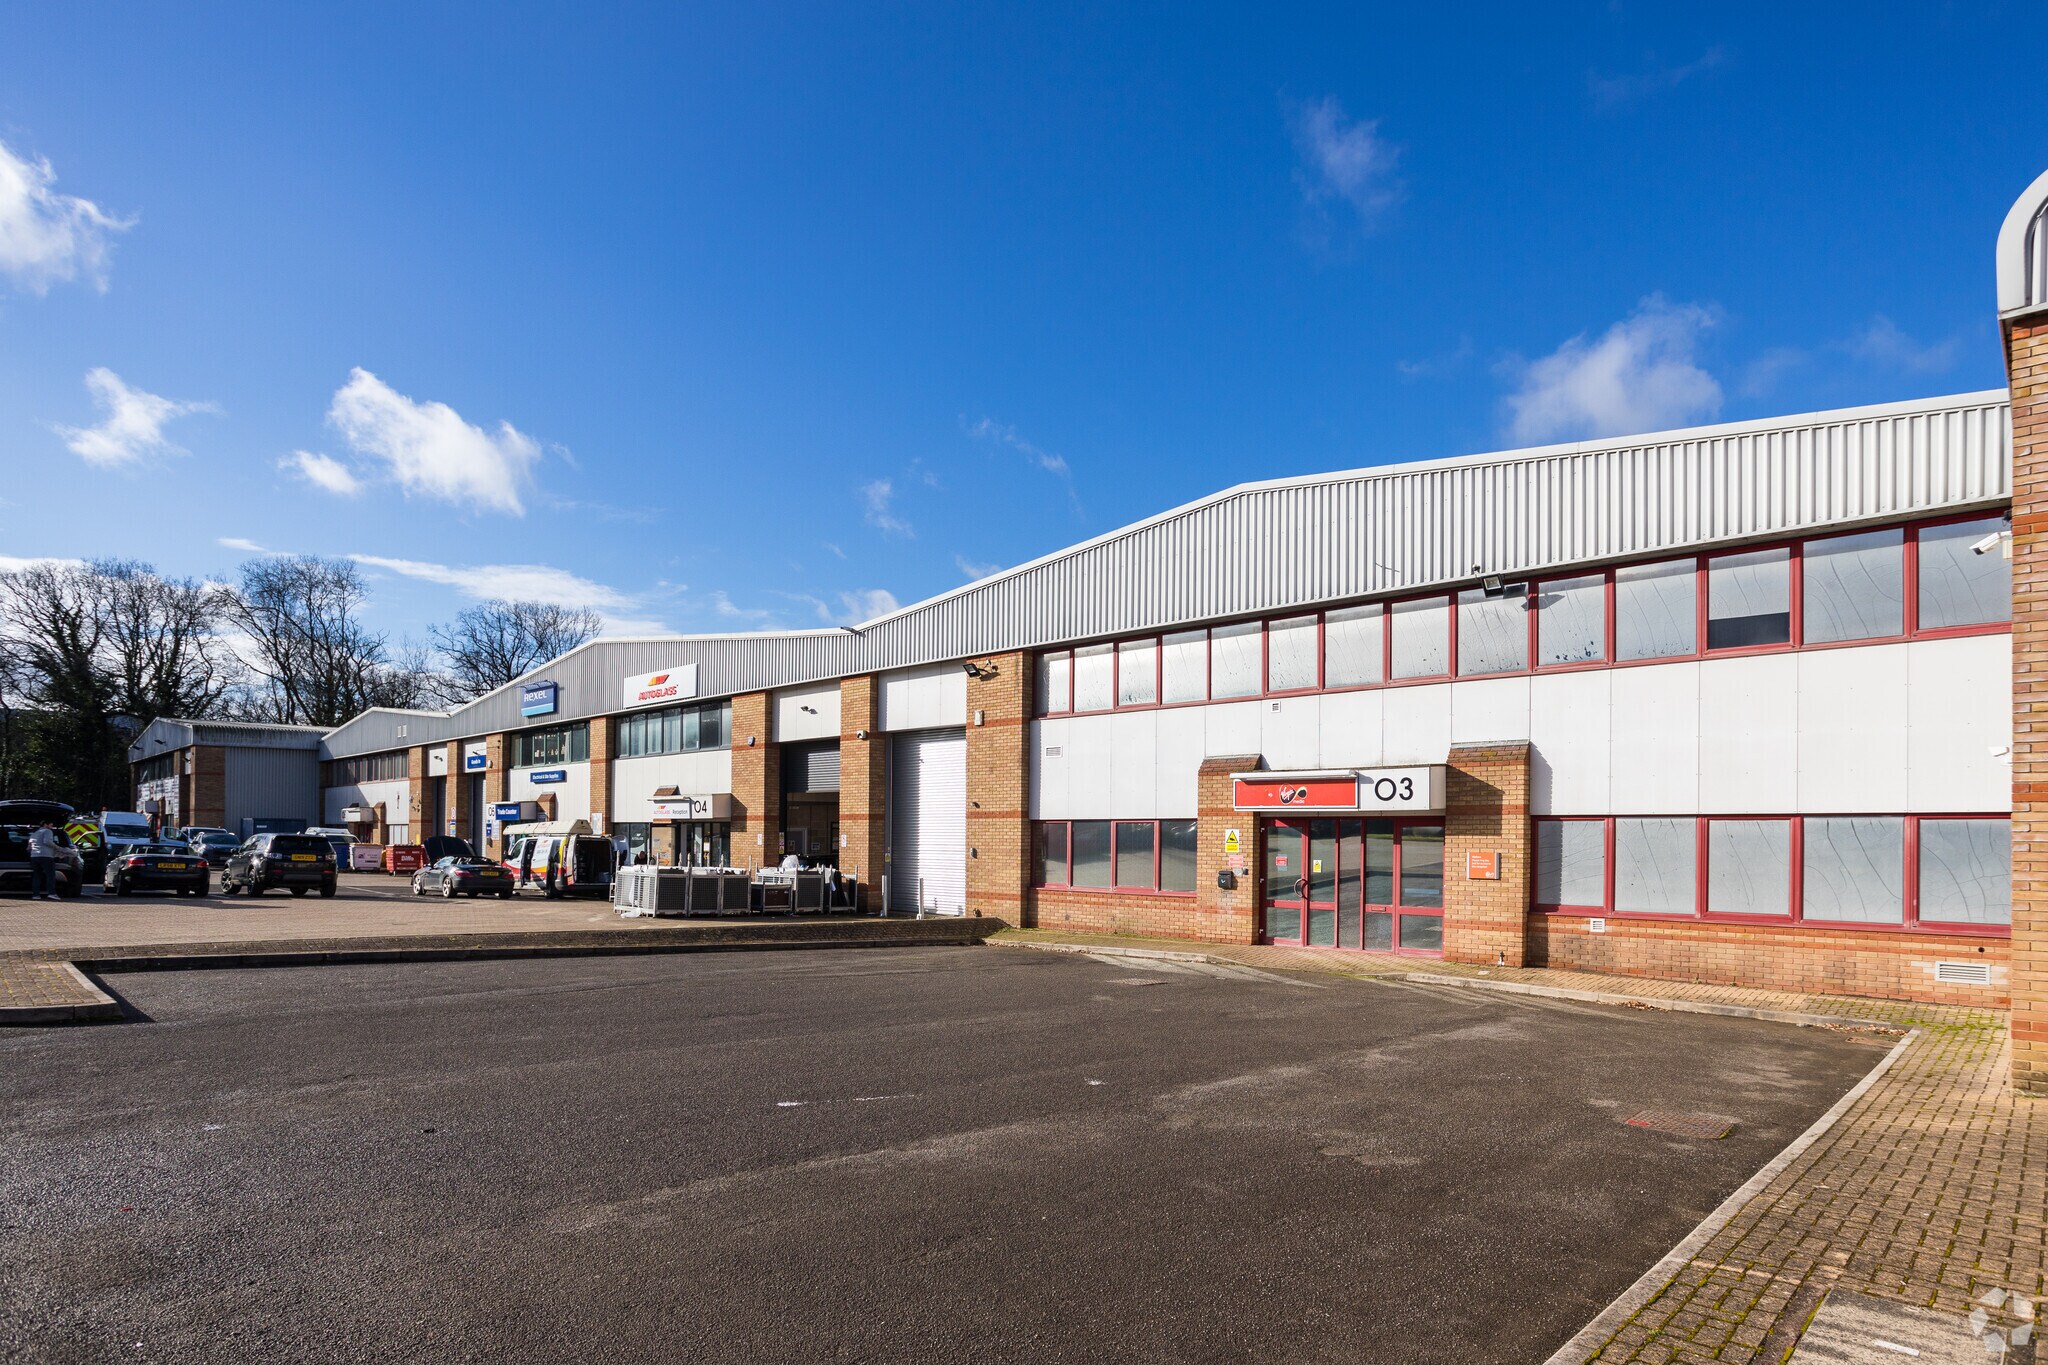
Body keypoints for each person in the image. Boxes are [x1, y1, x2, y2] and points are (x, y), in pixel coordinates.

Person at [26, 820, 61, 901]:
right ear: (45, 824)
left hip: (34, 856)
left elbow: (29, 847)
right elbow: (47, 841)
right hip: (46, 856)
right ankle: (51, 893)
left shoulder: (34, 833)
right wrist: (57, 847)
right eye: (51, 825)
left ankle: (36, 895)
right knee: (50, 875)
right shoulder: (47, 831)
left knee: (37, 876)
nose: (52, 827)